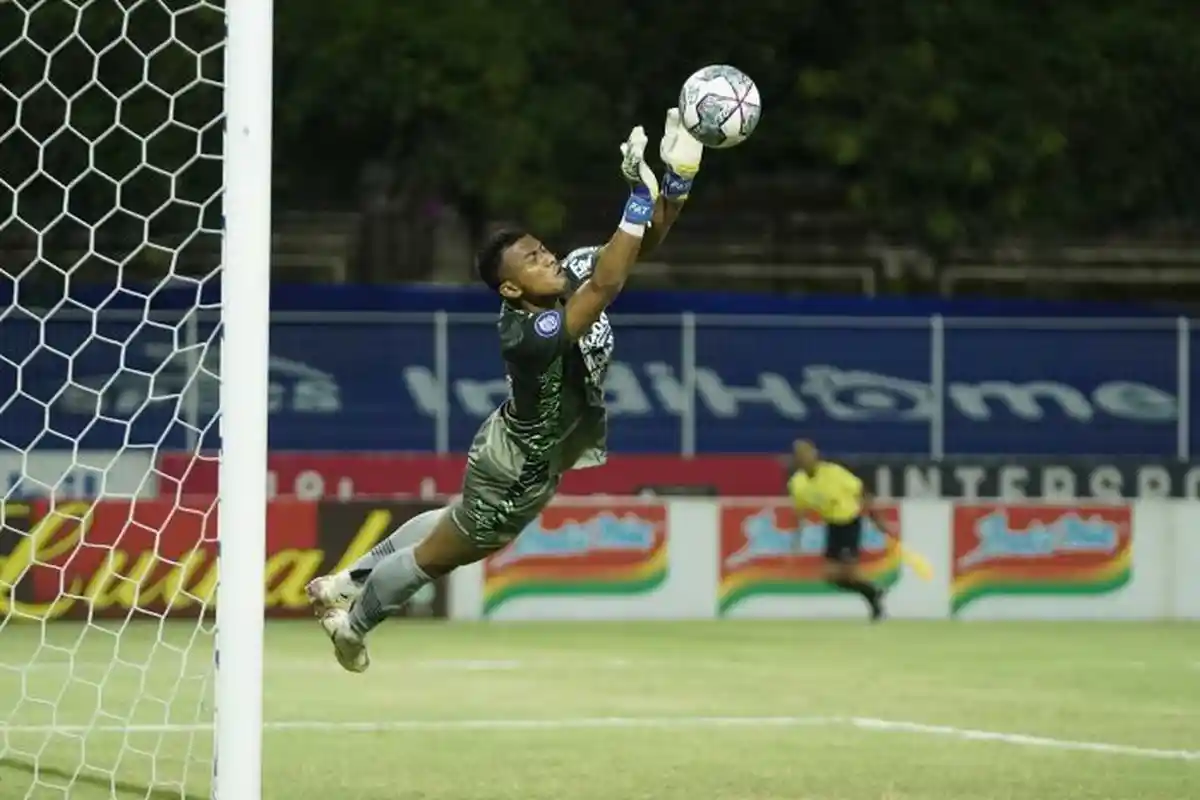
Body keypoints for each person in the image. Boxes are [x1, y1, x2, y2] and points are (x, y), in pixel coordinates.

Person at [305, 111, 704, 672]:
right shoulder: (529, 333)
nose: (548, 259)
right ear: (513, 288)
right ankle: (352, 628)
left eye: (543, 249)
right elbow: (611, 283)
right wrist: (638, 195)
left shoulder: (569, 277)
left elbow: (642, 244)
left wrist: (678, 177)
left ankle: (344, 582)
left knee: (455, 521)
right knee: (440, 555)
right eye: (533, 261)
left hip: (510, 445)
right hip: (521, 469)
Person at [786, 439, 888, 621]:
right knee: (831, 577)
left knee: (849, 572)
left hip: (849, 520)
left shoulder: (833, 472)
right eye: (800, 455)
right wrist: (797, 537)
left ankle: (874, 601)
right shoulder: (797, 483)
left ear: (815, 454)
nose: (805, 458)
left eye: (807, 453)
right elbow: (800, 512)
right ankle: (873, 591)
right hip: (832, 525)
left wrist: (875, 518)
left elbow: (861, 490)